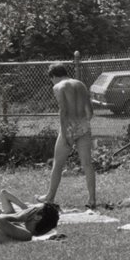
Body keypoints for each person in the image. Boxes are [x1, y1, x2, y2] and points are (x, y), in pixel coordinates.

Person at [39, 63, 97, 209]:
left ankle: (49, 197)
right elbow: (90, 111)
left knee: (58, 164)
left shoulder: (58, 87)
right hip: (84, 125)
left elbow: (63, 111)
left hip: (69, 127)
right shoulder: (81, 84)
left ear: (53, 76)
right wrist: (83, 123)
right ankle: (92, 200)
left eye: (51, 79)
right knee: (87, 164)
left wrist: (64, 134)